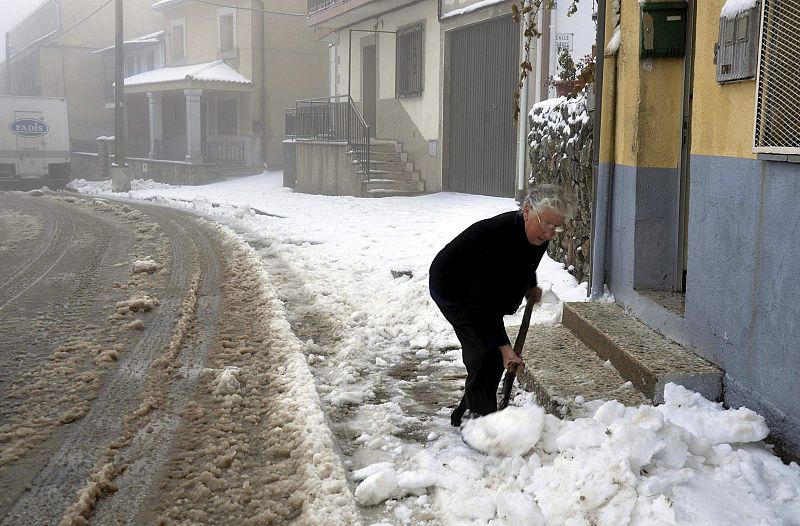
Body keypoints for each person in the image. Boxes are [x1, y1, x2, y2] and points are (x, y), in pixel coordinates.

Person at [429, 184, 575, 427]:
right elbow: (483, 307)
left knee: (491, 353)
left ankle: (465, 413)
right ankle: (481, 425)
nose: (550, 233)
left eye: (556, 227)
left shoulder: (537, 235)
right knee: (487, 355)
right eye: (546, 223)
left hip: (482, 295)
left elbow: (527, 262)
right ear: (527, 210)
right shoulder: (497, 240)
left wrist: (530, 285)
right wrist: (504, 347)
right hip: (454, 289)